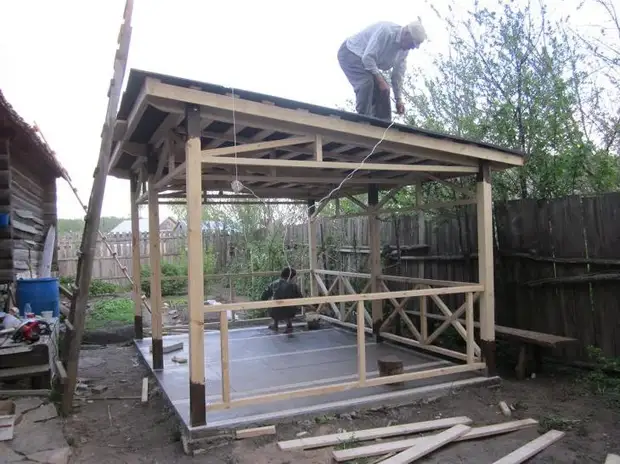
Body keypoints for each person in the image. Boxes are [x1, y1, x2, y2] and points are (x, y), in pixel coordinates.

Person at [338, 20, 427, 121]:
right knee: (367, 83)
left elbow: (397, 76)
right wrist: (380, 81)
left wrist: (399, 100)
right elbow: (368, 58)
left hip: (366, 61)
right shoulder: (386, 31)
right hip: (350, 52)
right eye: (412, 44)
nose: (412, 48)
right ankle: (363, 121)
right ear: (406, 33)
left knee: (384, 90)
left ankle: (383, 126)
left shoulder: (403, 51)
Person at [260, 267, 303, 334]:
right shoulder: (294, 286)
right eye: (295, 277)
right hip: (289, 312)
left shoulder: (273, 284)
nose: (295, 279)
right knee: (289, 305)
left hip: (274, 312)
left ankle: (275, 324)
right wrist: (313, 307)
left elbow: (263, 296)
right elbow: (302, 300)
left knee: (275, 304)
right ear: (290, 277)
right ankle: (289, 325)